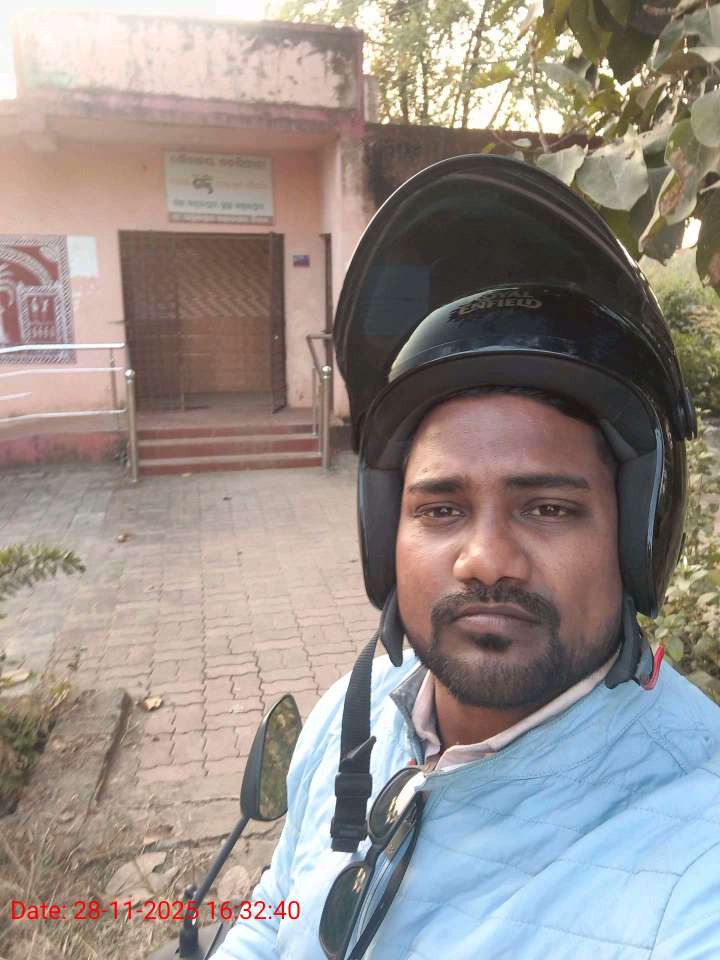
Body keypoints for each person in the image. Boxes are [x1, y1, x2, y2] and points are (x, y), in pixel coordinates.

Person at [214, 156, 720, 960]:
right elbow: (278, 903)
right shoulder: (355, 713)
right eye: (441, 509)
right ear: (384, 535)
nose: (485, 560)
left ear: (637, 540)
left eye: (548, 508)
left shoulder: (697, 855)